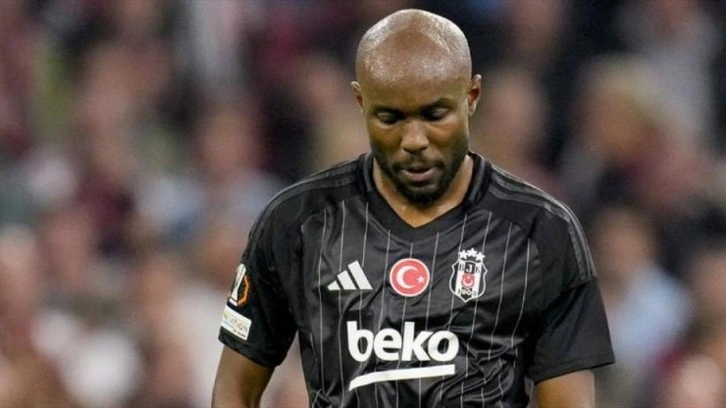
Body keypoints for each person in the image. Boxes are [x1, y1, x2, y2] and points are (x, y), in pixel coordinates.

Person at [212, 9, 614, 407]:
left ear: (472, 96)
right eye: (390, 118)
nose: (414, 140)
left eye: (434, 115)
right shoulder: (297, 222)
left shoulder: (541, 230)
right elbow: (236, 386)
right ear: (360, 101)